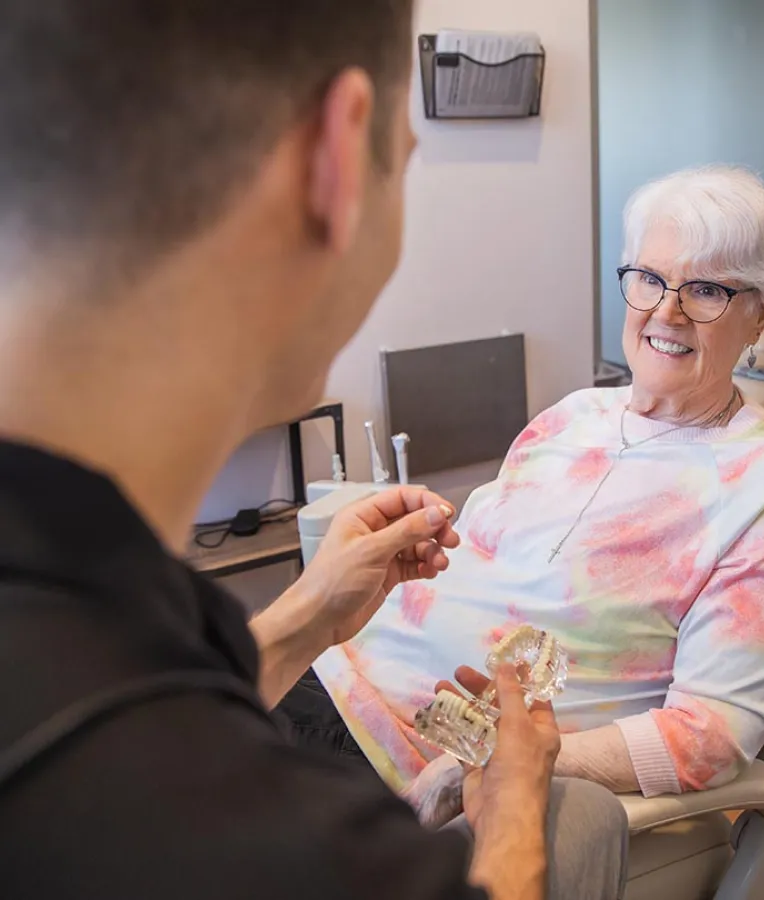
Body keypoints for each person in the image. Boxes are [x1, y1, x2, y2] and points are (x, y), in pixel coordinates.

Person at [0, 4, 628, 900]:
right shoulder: (285, 850)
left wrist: (306, 617)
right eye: (407, 164)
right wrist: (519, 797)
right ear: (335, 156)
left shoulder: (86, 610)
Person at [291, 165, 764, 823]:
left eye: (707, 290)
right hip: (325, 676)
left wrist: (493, 763)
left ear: (761, 314)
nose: (667, 310)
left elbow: (712, 734)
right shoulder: (574, 414)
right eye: (650, 279)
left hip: (408, 762)